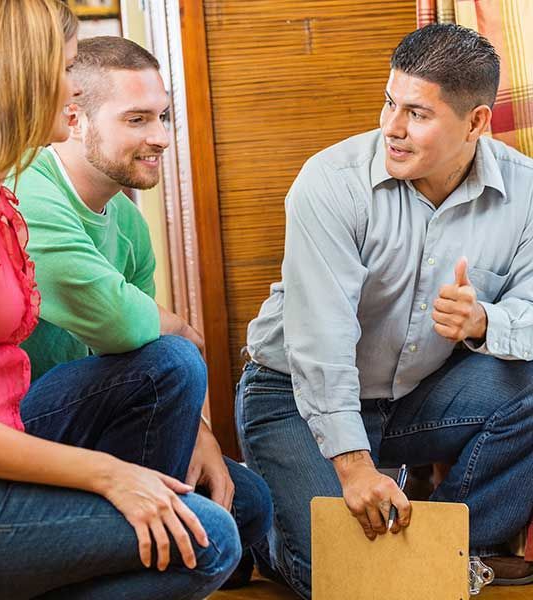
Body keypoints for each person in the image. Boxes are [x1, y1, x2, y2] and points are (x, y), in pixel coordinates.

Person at [0, 2, 244, 598]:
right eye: (68, 65)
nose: (74, 86)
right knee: (210, 543)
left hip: (10, 436)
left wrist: (139, 471)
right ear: (22, 72)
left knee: (228, 507)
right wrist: (112, 476)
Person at [237, 23, 533, 598]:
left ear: (475, 123)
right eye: (389, 102)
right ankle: (261, 531)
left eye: (418, 114)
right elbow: (320, 344)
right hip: (292, 397)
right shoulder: (330, 183)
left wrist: (485, 323)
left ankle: (449, 545)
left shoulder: (526, 194)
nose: (391, 129)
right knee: (343, 583)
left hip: (408, 402)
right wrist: (352, 467)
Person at [11, 35, 272, 588]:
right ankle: (137, 547)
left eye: (163, 117)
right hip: (13, 430)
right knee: (173, 360)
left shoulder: (127, 224)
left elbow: (139, 346)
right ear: (75, 119)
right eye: (136, 119)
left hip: (88, 423)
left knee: (247, 500)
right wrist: (174, 320)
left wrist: (200, 433)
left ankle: (115, 556)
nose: (160, 137)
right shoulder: (28, 192)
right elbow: (126, 324)